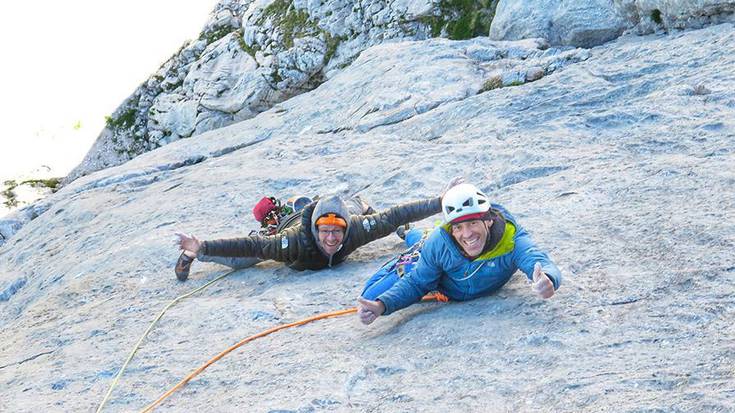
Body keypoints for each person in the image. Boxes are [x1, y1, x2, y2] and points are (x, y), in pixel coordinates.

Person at [356, 183, 561, 325]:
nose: (467, 233)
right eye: (458, 227)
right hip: (432, 267)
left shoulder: (512, 239)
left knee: (427, 239)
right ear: (451, 229)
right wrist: (382, 305)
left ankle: (409, 231)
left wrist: (549, 279)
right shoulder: (439, 242)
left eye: (473, 223)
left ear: (488, 220)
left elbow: (539, 261)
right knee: (370, 297)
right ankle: (410, 234)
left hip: (443, 269)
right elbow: (417, 283)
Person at [174, 184, 456, 280]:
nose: (332, 239)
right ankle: (193, 255)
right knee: (243, 261)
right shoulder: (291, 242)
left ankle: (357, 202)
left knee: (363, 210)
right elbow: (251, 247)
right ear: (315, 230)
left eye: (337, 232)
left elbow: (395, 216)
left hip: (347, 211)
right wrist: (204, 247)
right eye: (325, 232)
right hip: (289, 229)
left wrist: (441, 201)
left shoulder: (354, 230)